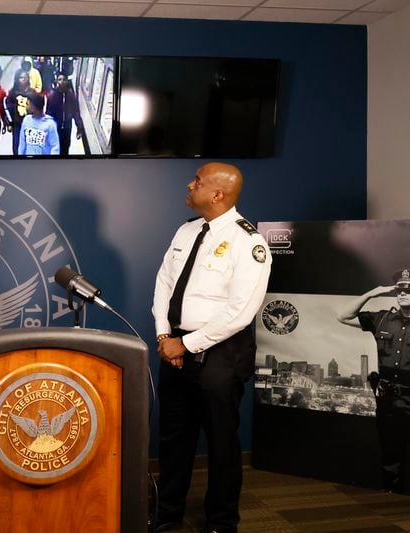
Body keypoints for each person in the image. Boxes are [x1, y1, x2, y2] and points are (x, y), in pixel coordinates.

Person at [151, 162, 271, 533]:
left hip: (219, 355)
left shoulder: (248, 242)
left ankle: (221, 522)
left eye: (198, 182)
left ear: (217, 194)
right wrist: (163, 336)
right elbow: (164, 284)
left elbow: (240, 312)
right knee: (174, 439)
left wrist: (183, 345)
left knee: (221, 444)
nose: (190, 185)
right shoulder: (186, 231)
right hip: (174, 348)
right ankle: (167, 514)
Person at [337, 268, 410, 493]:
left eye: (409, 288)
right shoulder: (382, 319)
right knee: (390, 451)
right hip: (388, 399)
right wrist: (372, 293)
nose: (403, 292)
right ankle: (390, 496)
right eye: (400, 288)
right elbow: (343, 316)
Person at [46, 72, 85, 155]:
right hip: (56, 127)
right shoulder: (52, 96)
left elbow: (75, 112)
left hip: (67, 127)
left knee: (66, 147)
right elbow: (48, 114)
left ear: (67, 81)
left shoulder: (71, 96)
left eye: (64, 80)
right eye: (60, 79)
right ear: (56, 81)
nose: (62, 82)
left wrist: (79, 127)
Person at [4, 69, 33, 155]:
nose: (23, 80)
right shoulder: (12, 93)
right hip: (17, 125)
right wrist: (9, 123)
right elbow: (7, 108)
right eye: (21, 78)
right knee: (17, 147)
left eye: (25, 78)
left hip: (30, 126)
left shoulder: (31, 93)